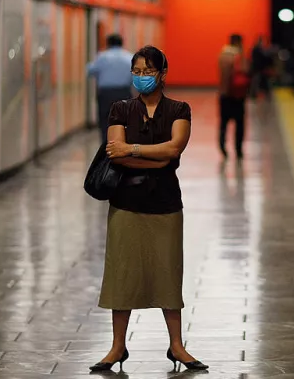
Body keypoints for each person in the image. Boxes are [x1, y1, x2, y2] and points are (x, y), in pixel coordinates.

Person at [89, 46, 208, 373]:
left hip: (166, 204)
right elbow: (116, 154)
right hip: (126, 203)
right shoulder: (120, 109)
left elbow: (173, 149)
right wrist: (148, 156)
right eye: (137, 71)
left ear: (163, 73)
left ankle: (177, 346)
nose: (142, 77)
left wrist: (134, 149)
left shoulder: (179, 109)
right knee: (122, 274)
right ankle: (117, 347)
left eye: (148, 71)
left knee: (168, 273)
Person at [87, 34, 134, 140]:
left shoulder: (102, 57)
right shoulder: (129, 57)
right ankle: (122, 143)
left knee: (105, 121)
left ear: (108, 44)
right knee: (124, 121)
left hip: (105, 94)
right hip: (124, 93)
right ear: (122, 43)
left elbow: (90, 71)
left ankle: (106, 146)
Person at [218, 34, 248, 159]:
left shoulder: (222, 54)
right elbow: (245, 70)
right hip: (237, 94)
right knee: (239, 123)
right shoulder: (239, 56)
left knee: (224, 123)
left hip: (224, 93)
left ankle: (223, 147)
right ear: (238, 42)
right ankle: (238, 149)